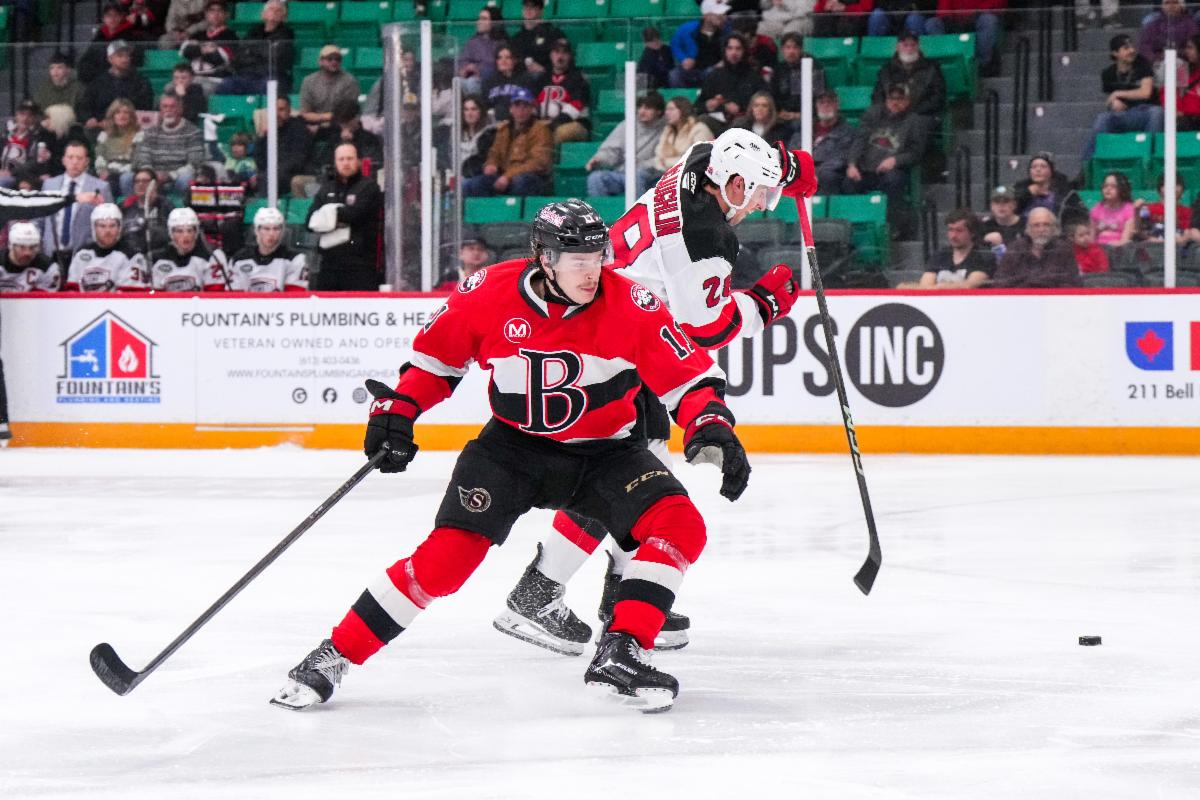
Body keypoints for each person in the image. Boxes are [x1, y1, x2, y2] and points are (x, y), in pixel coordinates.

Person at [272, 199, 752, 714]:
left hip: (607, 453)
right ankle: (333, 655)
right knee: (446, 561)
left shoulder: (632, 303)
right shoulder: (488, 292)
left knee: (680, 525)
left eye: (598, 259)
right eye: (579, 262)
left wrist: (711, 425)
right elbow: (434, 364)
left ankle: (622, 651)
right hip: (512, 451)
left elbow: (689, 377)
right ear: (545, 259)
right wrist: (399, 410)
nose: (592, 273)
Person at [493, 129, 815, 655]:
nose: (761, 205)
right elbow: (703, 329)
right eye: (759, 193)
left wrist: (789, 167)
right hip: (617, 342)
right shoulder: (704, 241)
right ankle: (539, 594)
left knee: (632, 479)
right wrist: (763, 306)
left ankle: (605, 597)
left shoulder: (700, 157)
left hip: (606, 320)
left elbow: (735, 147)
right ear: (733, 185)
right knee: (625, 481)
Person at [846, 83, 928, 239]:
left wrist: (896, 160)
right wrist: (852, 164)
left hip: (892, 171)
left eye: (900, 99)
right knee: (848, 182)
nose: (895, 102)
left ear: (907, 101)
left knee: (894, 181)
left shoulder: (914, 121)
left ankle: (890, 227)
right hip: (866, 170)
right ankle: (855, 228)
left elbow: (916, 152)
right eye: (891, 98)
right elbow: (859, 140)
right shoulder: (872, 114)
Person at [306, 143, 383, 291]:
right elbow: (309, 221)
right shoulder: (326, 188)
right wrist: (338, 215)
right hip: (329, 264)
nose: (345, 163)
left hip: (360, 266)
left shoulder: (369, 187)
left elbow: (354, 215)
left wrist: (327, 215)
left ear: (358, 161)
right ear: (335, 162)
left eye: (350, 158)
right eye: (341, 159)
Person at [1082, 34, 1163, 162]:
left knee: (1157, 112)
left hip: (1144, 112)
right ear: (1115, 53)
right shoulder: (1108, 73)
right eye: (1126, 48)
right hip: (1124, 114)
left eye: (1132, 47)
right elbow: (1109, 100)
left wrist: (1117, 93)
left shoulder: (1143, 64)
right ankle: (1088, 164)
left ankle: (1148, 160)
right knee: (1103, 118)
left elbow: (1145, 92)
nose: (1132, 50)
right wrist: (1114, 101)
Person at [462, 89, 552, 198]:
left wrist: (508, 176)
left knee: (521, 182)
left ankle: (514, 209)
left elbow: (538, 163)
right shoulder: (504, 130)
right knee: (471, 185)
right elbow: (494, 153)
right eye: (517, 106)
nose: (521, 110)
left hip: (530, 177)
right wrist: (491, 165)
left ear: (531, 109)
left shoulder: (541, 130)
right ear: (511, 109)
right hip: (504, 176)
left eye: (525, 106)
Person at [39, 141, 112, 259]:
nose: (74, 162)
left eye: (79, 158)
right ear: (63, 160)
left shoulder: (101, 187)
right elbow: (40, 220)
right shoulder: (49, 185)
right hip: (51, 253)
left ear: (87, 162)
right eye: (70, 157)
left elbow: (108, 222)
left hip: (85, 256)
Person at [585, 92, 667, 198]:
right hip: (624, 174)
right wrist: (600, 159)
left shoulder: (667, 129)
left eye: (647, 108)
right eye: (640, 107)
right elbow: (612, 150)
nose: (642, 111)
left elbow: (665, 159)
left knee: (638, 175)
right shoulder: (627, 125)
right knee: (595, 178)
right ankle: (601, 209)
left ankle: (639, 209)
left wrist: (643, 164)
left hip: (653, 177)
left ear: (659, 111)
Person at [213, 206, 307, 292]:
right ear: (257, 230)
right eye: (266, 229)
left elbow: (295, 298)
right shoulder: (239, 259)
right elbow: (233, 297)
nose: (271, 234)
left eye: (276, 229)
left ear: (282, 231)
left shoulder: (295, 260)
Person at [64, 202, 149, 291]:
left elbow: (130, 295)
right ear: (94, 228)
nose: (108, 231)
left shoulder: (132, 256)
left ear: (119, 228)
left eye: (112, 226)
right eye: (102, 226)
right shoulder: (82, 254)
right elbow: (72, 291)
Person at [131, 93, 205, 195]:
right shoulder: (150, 132)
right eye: (165, 107)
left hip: (178, 177)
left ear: (180, 110)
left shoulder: (193, 132)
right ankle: (134, 204)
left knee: (186, 178)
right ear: (160, 110)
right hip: (153, 175)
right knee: (127, 178)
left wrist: (170, 175)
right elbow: (143, 158)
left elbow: (194, 163)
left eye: (172, 107)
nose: (168, 110)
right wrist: (151, 174)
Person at [991, 207, 1082, 288]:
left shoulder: (1064, 250)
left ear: (1053, 228)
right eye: (1036, 225)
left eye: (1046, 225)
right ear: (1028, 229)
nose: (1041, 230)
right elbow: (1000, 282)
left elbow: (1073, 283)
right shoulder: (1016, 248)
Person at [218, 0, 295, 95]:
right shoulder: (253, 32)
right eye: (271, 9)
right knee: (227, 84)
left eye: (278, 10)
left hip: (270, 76)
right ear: (263, 14)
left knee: (269, 85)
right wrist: (261, 52)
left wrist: (252, 50)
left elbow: (274, 55)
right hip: (247, 75)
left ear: (284, 17)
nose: (274, 12)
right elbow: (240, 55)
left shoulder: (287, 34)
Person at [909, 208, 996, 289]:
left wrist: (939, 287)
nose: (953, 236)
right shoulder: (940, 256)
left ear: (972, 233)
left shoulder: (983, 256)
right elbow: (924, 286)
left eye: (959, 231)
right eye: (950, 230)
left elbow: (969, 285)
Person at [870, 30, 947, 122]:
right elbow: (878, 95)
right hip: (891, 115)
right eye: (905, 45)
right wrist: (889, 110)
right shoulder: (887, 69)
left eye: (913, 45)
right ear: (898, 47)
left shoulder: (932, 68)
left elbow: (938, 97)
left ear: (918, 47)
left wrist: (913, 112)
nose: (909, 49)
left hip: (922, 116)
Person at [697, 33, 768, 129]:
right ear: (725, 51)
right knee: (702, 120)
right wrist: (708, 104)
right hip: (718, 120)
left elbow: (764, 102)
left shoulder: (754, 76)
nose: (733, 52)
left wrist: (740, 108)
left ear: (744, 51)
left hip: (744, 121)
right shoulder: (714, 75)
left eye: (738, 49)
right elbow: (698, 105)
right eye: (730, 48)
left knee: (741, 122)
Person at [80, 41, 155, 128]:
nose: (125, 59)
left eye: (127, 56)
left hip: (132, 127)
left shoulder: (141, 82)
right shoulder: (97, 83)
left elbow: (145, 108)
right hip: (102, 127)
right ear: (110, 59)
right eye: (120, 56)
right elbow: (85, 107)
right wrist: (89, 119)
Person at [795, 88, 856, 193]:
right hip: (805, 172)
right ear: (816, 106)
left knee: (828, 176)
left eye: (829, 102)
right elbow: (793, 153)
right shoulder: (805, 129)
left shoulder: (847, 131)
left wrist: (814, 173)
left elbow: (839, 159)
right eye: (821, 102)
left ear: (837, 105)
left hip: (828, 174)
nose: (825, 105)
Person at [532, 39, 591, 145]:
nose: (560, 56)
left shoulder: (578, 79)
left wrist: (553, 123)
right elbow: (533, 103)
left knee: (560, 133)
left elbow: (577, 104)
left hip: (574, 124)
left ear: (570, 56)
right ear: (551, 55)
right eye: (557, 52)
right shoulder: (543, 79)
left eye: (564, 53)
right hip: (544, 124)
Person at [924, 1, 1005, 75]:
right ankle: (945, 64)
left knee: (988, 20)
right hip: (954, 21)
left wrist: (977, 12)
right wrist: (947, 17)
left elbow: (996, 3)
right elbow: (943, 7)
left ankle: (982, 64)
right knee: (932, 24)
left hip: (978, 17)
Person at [254, 96, 312, 199]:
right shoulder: (269, 131)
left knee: (269, 177)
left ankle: (266, 205)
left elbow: (298, 160)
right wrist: (262, 136)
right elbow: (259, 161)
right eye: (274, 110)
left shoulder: (299, 129)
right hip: (271, 174)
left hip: (293, 174)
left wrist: (274, 169)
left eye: (281, 110)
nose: (277, 114)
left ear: (289, 111)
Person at [148, 206, 217, 290]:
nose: (186, 235)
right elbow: (154, 294)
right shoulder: (157, 260)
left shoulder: (208, 258)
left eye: (190, 230)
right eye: (180, 231)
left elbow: (215, 295)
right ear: (171, 234)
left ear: (196, 233)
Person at [669, 0, 732, 88]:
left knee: (714, 73)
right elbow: (675, 44)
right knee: (674, 75)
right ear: (706, 16)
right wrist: (683, 59)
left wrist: (724, 61)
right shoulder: (687, 29)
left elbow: (732, 50)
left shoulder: (727, 32)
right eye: (718, 14)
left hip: (713, 69)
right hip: (693, 69)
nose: (722, 16)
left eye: (724, 14)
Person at [180, 0, 238, 93]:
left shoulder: (231, 36)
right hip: (193, 77)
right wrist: (207, 50)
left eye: (220, 10)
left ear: (226, 14)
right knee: (170, 88)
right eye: (212, 10)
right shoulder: (198, 35)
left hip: (216, 79)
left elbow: (220, 58)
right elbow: (185, 52)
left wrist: (197, 49)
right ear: (206, 14)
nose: (216, 14)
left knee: (198, 89)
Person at [770, 32, 826, 128]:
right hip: (783, 115)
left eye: (795, 47)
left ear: (801, 49)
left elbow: (819, 96)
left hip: (807, 116)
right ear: (782, 50)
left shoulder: (813, 66)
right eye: (788, 47)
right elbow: (773, 94)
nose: (791, 51)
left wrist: (798, 114)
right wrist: (779, 112)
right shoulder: (779, 69)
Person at [312, 100, 384, 173]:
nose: (344, 125)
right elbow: (323, 165)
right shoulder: (334, 138)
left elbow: (373, 166)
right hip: (336, 178)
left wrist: (352, 146)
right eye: (341, 122)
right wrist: (342, 143)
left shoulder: (369, 139)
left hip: (362, 177)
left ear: (357, 117)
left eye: (347, 122)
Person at [299, 46, 361, 130]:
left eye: (337, 59)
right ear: (320, 61)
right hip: (314, 124)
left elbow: (348, 112)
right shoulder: (308, 81)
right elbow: (305, 113)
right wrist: (325, 119)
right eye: (330, 59)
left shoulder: (349, 81)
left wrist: (325, 119)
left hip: (342, 125)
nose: (334, 62)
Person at [653, 96, 714, 178]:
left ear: (683, 110)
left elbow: (697, 159)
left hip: (690, 177)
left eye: (671, 109)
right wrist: (662, 166)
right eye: (666, 110)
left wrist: (667, 162)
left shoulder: (699, 129)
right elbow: (658, 154)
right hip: (665, 173)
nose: (667, 113)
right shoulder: (668, 130)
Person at [119, 167, 174, 256]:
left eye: (145, 181)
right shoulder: (125, 206)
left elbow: (172, 234)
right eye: (137, 181)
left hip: (158, 254)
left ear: (155, 185)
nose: (140, 184)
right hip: (128, 255)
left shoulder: (165, 206)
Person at [94, 98, 142, 198]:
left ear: (131, 116)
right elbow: (100, 157)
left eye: (126, 112)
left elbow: (137, 160)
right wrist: (102, 171)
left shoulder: (139, 135)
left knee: (125, 178)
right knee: (106, 182)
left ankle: (128, 205)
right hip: (109, 174)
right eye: (118, 112)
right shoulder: (104, 136)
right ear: (112, 116)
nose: (122, 116)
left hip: (129, 173)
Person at [78, 3, 138, 81]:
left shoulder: (128, 35)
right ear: (103, 19)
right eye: (109, 15)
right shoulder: (100, 35)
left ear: (121, 17)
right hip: (98, 75)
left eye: (116, 15)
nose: (113, 19)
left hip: (119, 75)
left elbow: (129, 59)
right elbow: (88, 56)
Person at [1135, 174, 1199, 245]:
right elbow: (1138, 232)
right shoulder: (1149, 209)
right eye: (1168, 184)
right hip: (1152, 246)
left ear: (1182, 190)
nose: (1172, 188)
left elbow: (1184, 236)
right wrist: (1136, 210)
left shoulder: (1187, 212)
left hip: (1177, 247)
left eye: (1177, 185)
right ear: (1160, 189)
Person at [1013, 152, 1079, 220]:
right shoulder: (1020, 189)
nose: (1038, 170)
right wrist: (1027, 193)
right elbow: (1013, 210)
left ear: (1051, 171)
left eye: (1043, 166)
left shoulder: (1064, 191)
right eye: (1034, 167)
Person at [0, 101, 51, 189]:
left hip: (21, 177)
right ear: (16, 115)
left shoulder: (39, 137)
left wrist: (11, 172)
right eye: (22, 114)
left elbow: (34, 162)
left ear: (34, 118)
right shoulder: (6, 133)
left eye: (30, 115)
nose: (25, 118)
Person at [509, 0, 566, 76]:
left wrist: (543, 69)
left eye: (532, 7)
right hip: (521, 76)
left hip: (546, 76)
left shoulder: (553, 33)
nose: (528, 10)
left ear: (541, 11)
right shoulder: (517, 37)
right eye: (526, 7)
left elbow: (562, 58)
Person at [0, 222, 60, 292]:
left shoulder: (47, 267)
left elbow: (50, 297)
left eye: (32, 247)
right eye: (22, 247)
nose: (27, 253)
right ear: (11, 246)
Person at [459, 7, 507, 96]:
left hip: (491, 80)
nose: (479, 22)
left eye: (484, 19)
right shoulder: (473, 42)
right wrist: (466, 68)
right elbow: (463, 61)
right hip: (470, 77)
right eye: (479, 18)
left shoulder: (502, 43)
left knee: (472, 82)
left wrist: (478, 70)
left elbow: (498, 65)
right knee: (458, 82)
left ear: (494, 22)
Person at [482, 45, 534, 125]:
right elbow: (485, 104)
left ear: (514, 60)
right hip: (495, 122)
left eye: (507, 57)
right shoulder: (489, 81)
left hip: (519, 122)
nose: (503, 61)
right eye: (499, 58)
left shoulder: (525, 79)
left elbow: (528, 104)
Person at [1138, 0, 1198, 69]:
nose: (1171, 6)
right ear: (1162, 6)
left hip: (1184, 63)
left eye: (1175, 2)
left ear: (1182, 6)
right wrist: (1155, 58)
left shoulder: (1190, 25)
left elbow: (1194, 47)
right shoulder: (1153, 25)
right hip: (1156, 64)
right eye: (1167, 3)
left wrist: (1174, 54)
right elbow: (1144, 46)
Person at [1089, 171, 1136, 247]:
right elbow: (1091, 236)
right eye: (1105, 186)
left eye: (1113, 186)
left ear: (1122, 189)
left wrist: (1111, 245)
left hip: (1119, 249)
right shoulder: (1097, 209)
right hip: (1098, 249)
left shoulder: (1128, 210)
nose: (1108, 189)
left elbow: (1125, 240)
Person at [457, 94, 496, 179]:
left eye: (473, 109)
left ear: (481, 111)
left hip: (476, 177)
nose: (469, 113)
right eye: (466, 109)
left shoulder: (489, 134)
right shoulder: (456, 132)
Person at [979, 185, 1023, 253]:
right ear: (991, 206)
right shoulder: (985, 227)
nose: (1001, 205)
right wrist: (984, 242)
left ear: (1014, 205)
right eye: (997, 202)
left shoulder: (1026, 225)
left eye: (1006, 201)